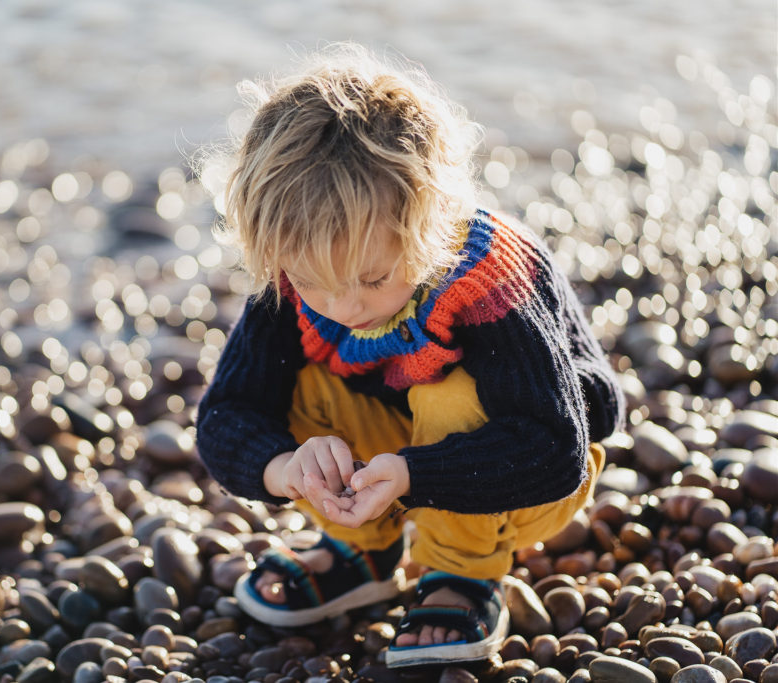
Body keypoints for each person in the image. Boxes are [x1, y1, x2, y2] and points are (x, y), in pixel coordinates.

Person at [195, 43, 625, 667]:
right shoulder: (295, 275)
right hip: (399, 450)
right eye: (315, 283)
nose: (343, 305)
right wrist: (287, 469)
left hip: (527, 463)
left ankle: (462, 572)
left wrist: (413, 474)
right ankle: (363, 549)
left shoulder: (488, 279)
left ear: (429, 225)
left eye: (372, 280)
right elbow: (226, 414)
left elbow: (555, 448)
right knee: (297, 384)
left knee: (447, 393)